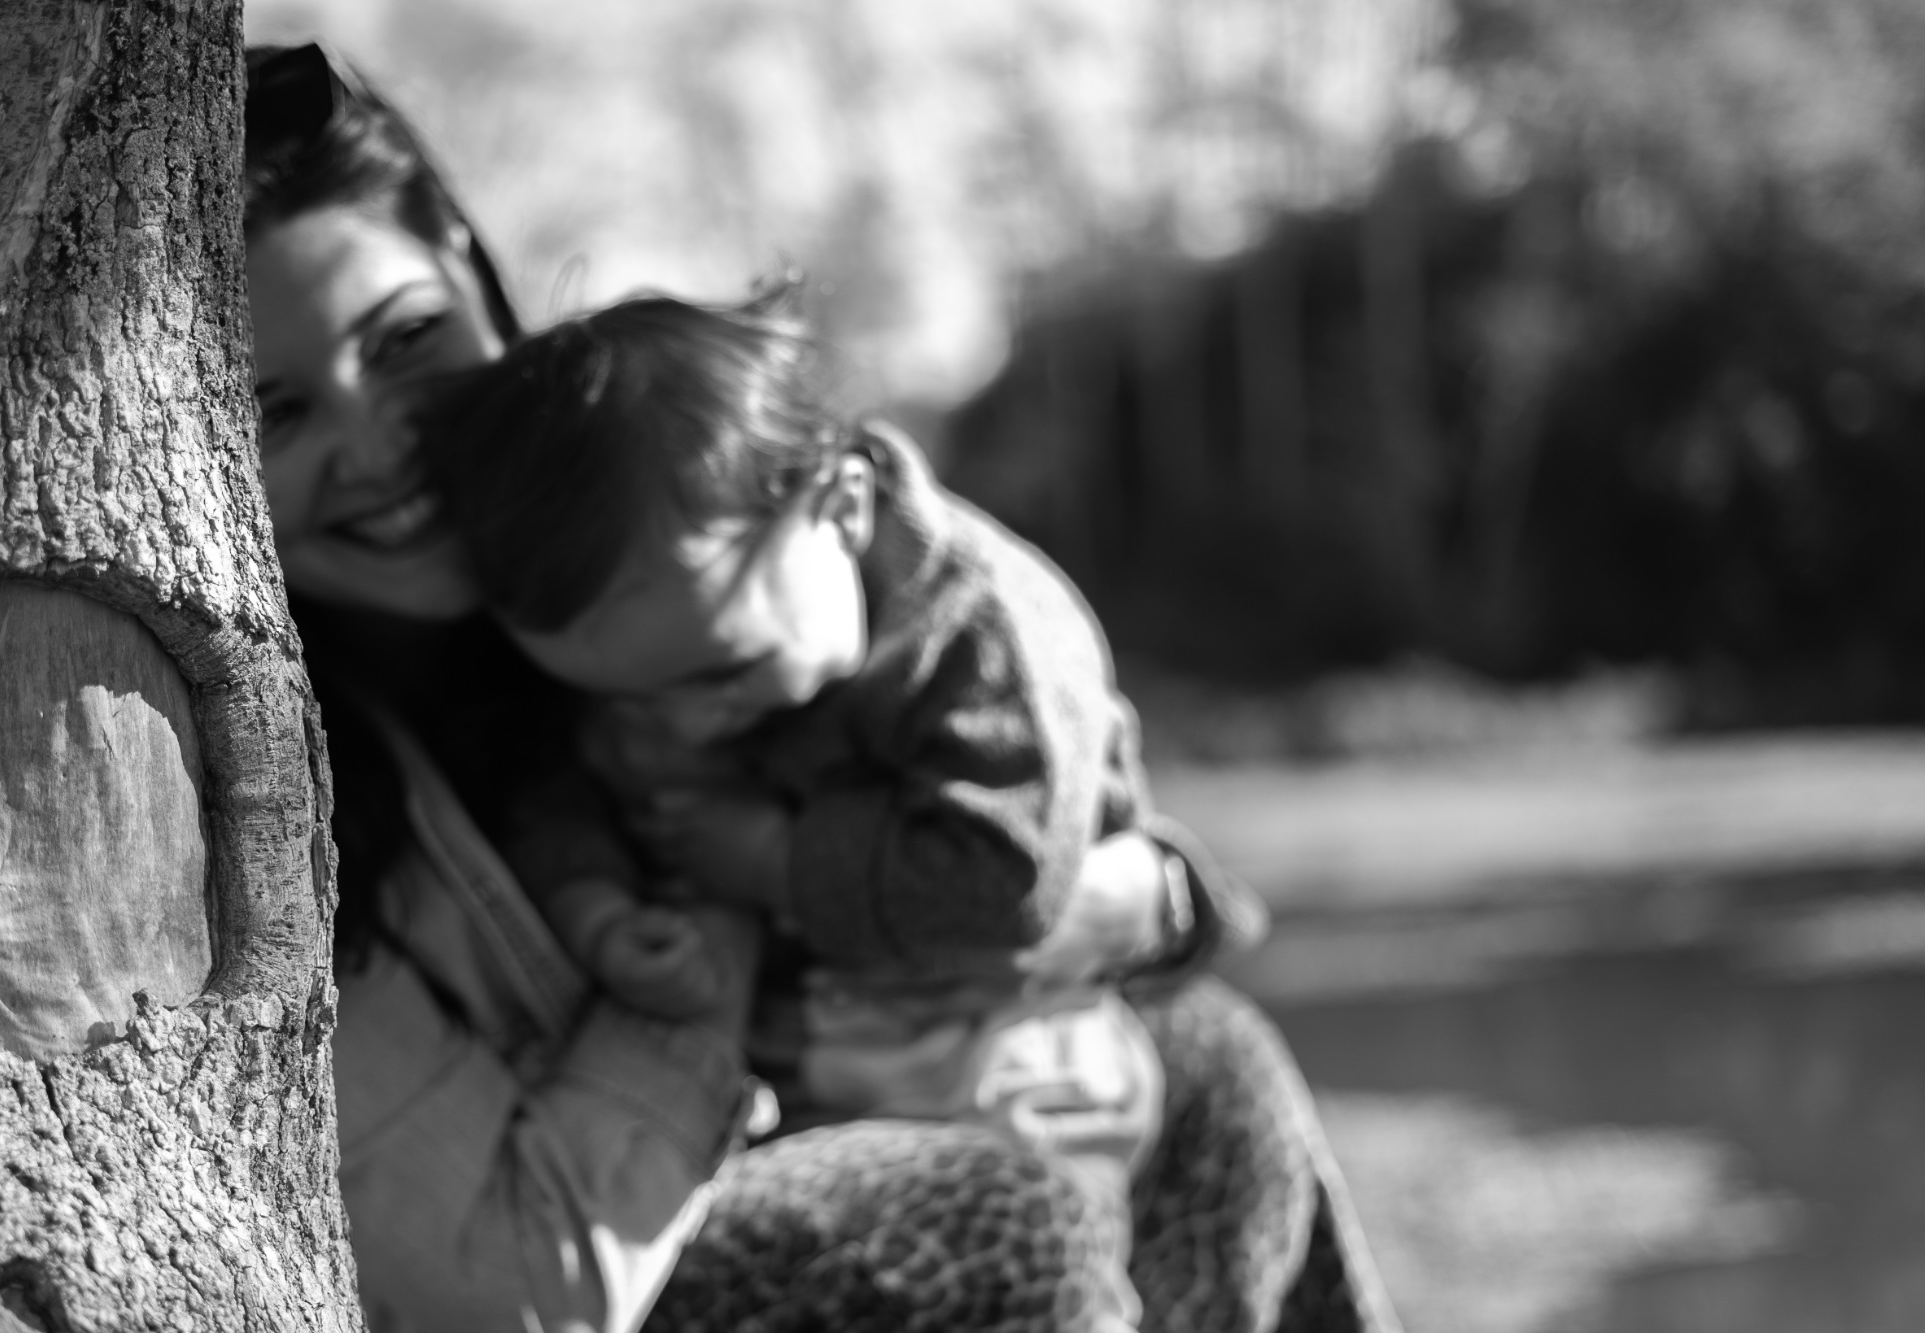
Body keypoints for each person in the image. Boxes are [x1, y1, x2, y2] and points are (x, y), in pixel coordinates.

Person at [242, 38, 1400, 1333]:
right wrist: (712, 953)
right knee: (989, 1218)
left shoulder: (654, 509)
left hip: (824, 1058)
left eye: (405, 338)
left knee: (1214, 1063)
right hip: (608, 1245)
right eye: (275, 410)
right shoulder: (267, 784)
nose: (381, 440)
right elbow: (511, 1281)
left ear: (467, 261)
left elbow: (1009, 793)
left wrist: (1154, 895)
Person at [420, 292, 1194, 1329]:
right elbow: (560, 787)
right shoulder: (674, 639)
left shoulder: (984, 631)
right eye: (624, 700)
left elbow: (1007, 876)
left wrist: (769, 856)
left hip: (1013, 1052)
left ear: (840, 505)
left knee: (1040, 1260)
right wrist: (591, 902)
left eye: (721, 673)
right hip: (809, 1071)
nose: (682, 727)